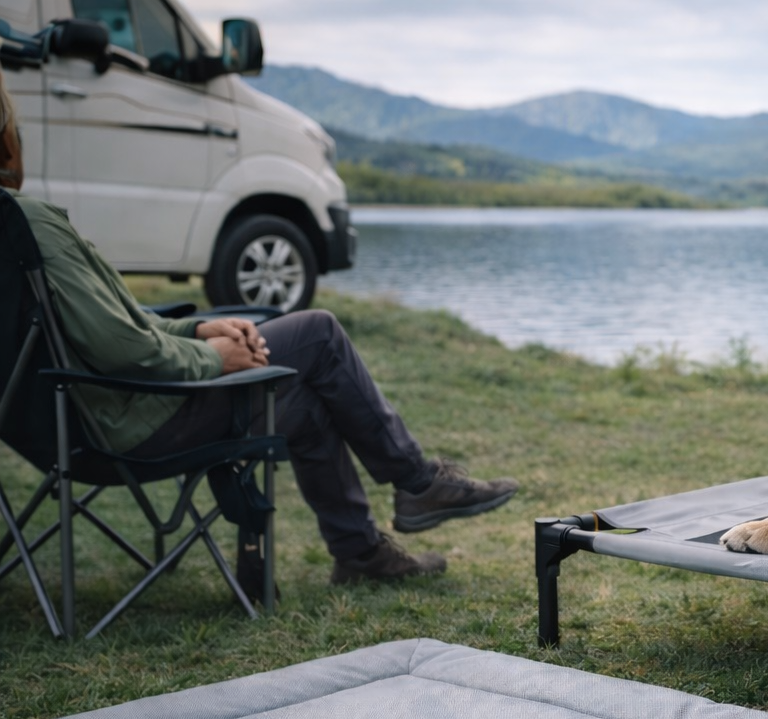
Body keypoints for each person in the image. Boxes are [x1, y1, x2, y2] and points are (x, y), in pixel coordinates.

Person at [0, 71, 517, 588]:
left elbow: (113, 325)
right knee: (317, 332)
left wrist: (201, 330)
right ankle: (417, 481)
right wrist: (215, 359)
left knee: (308, 410)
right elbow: (122, 346)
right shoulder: (30, 223)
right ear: (6, 140)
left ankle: (361, 554)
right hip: (124, 423)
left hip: (65, 431)